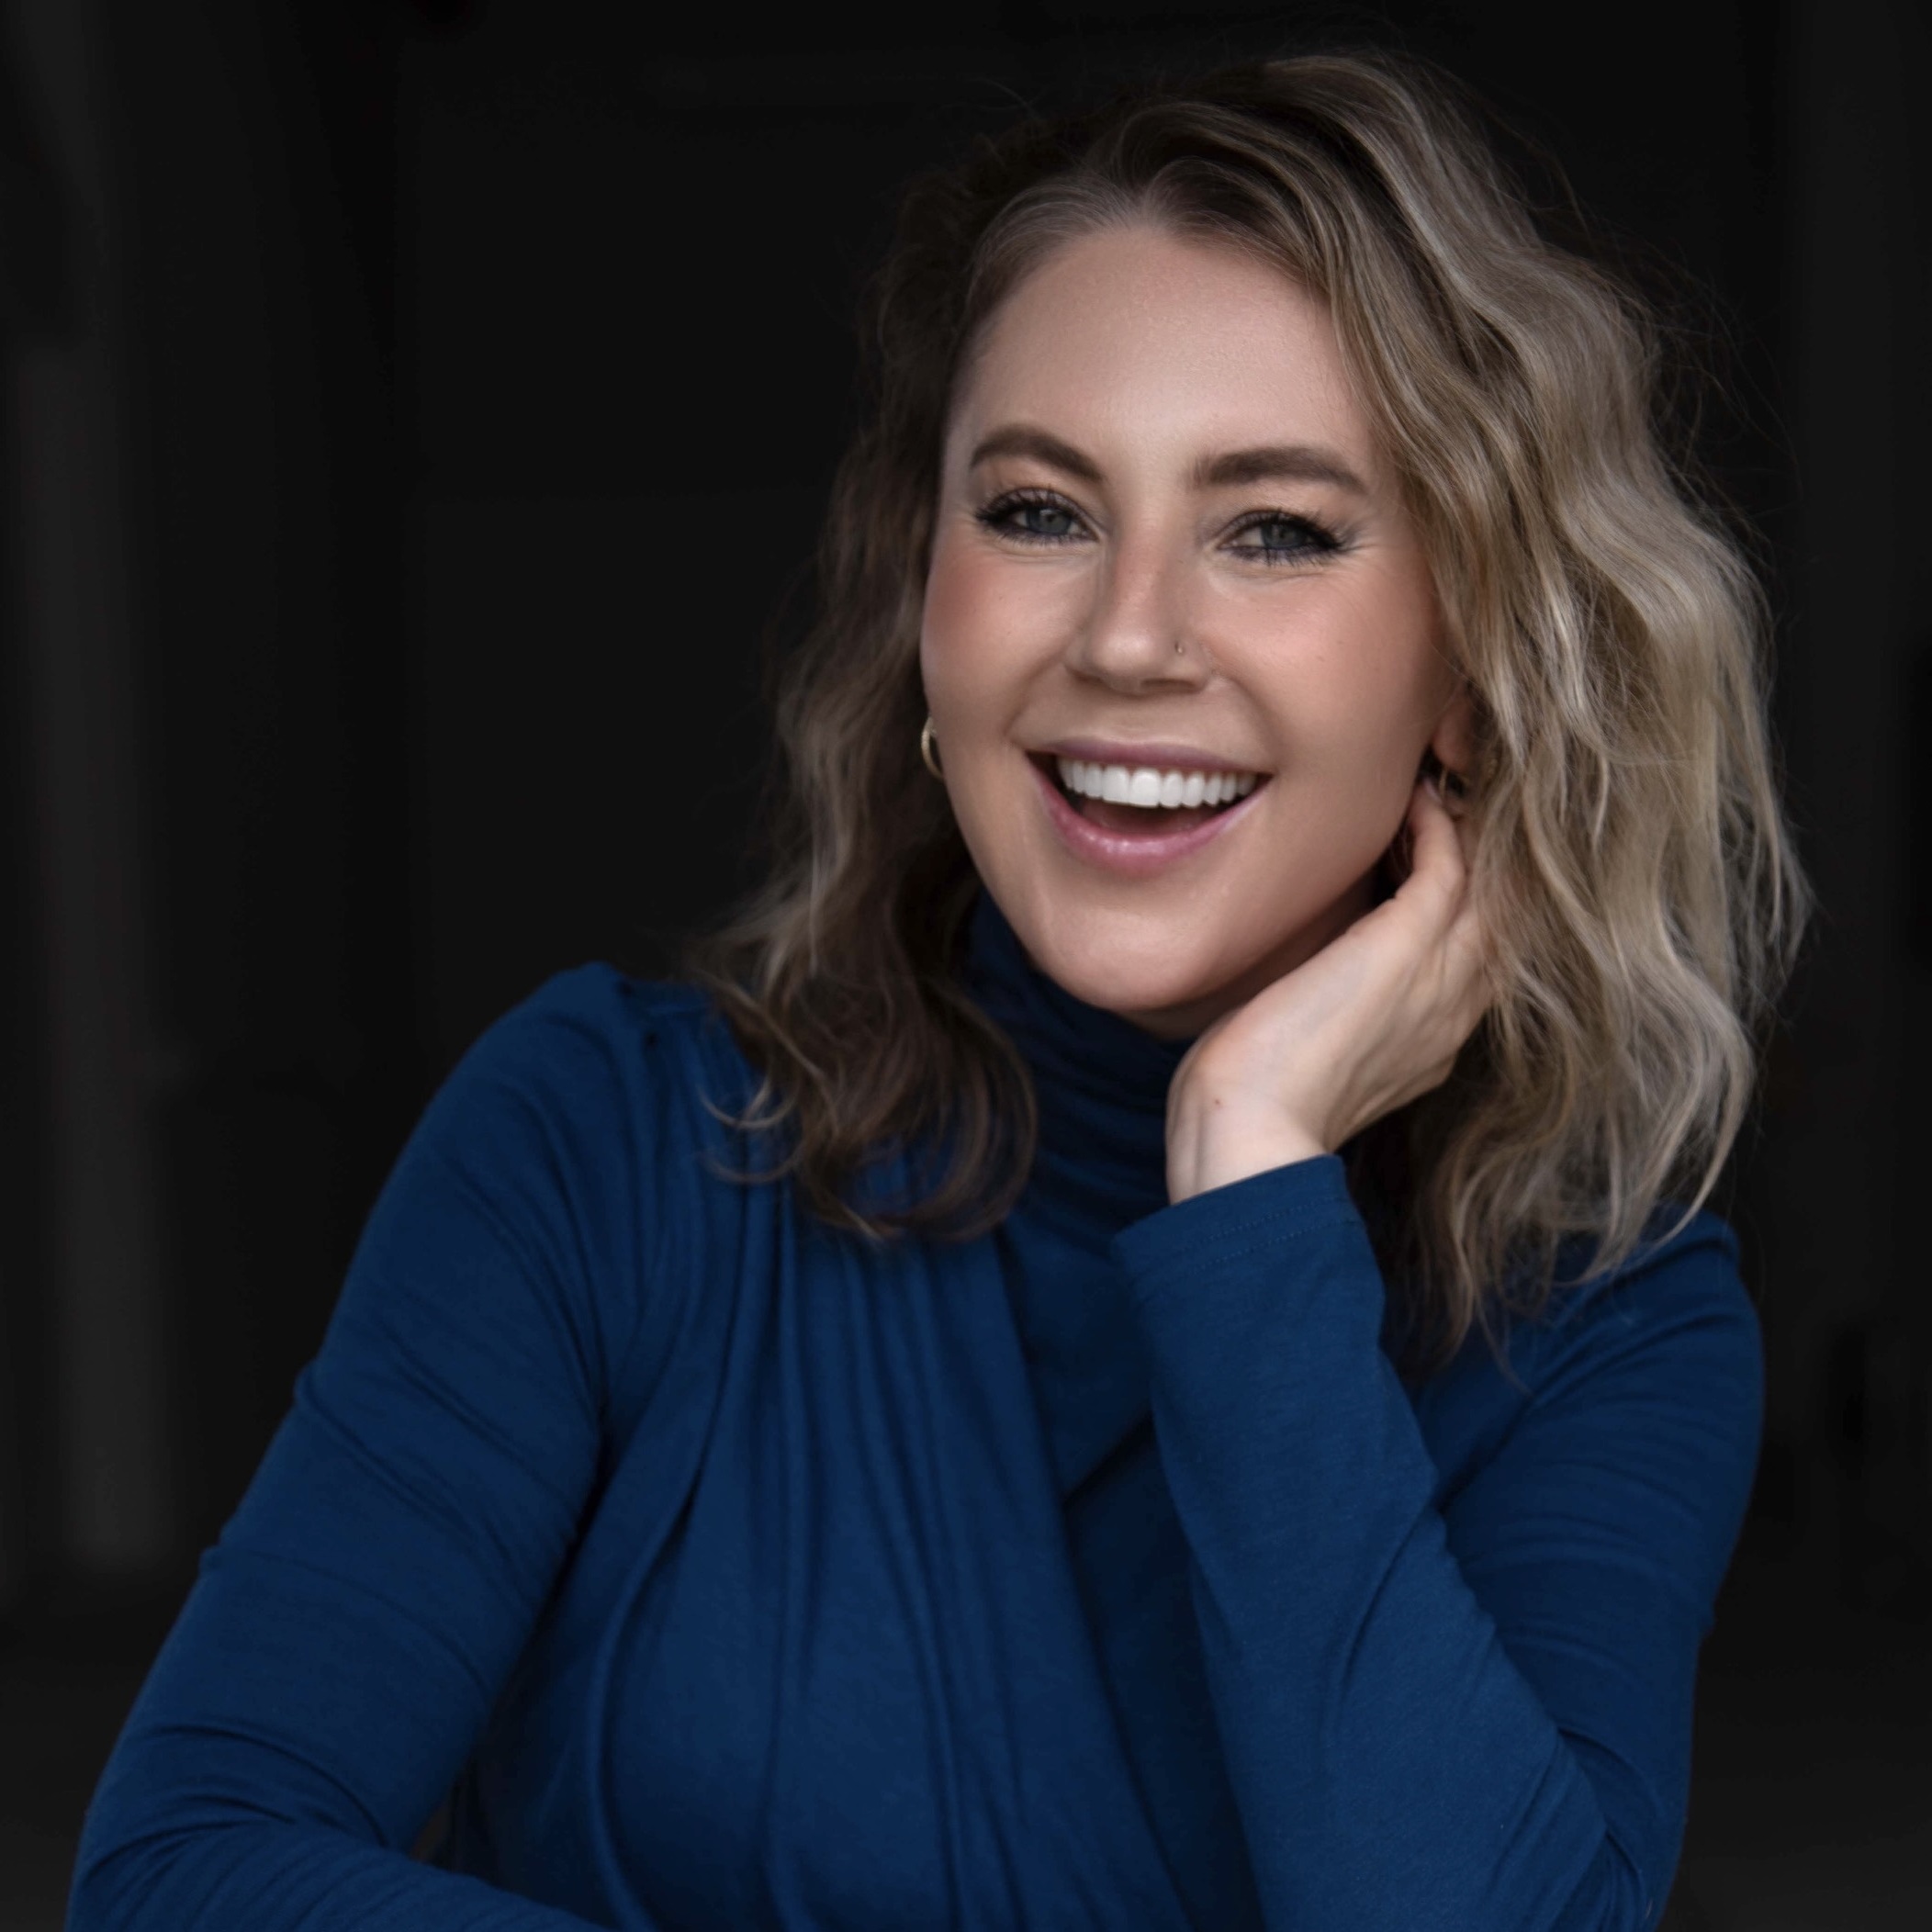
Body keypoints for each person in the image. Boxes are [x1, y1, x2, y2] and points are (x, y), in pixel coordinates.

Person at [67, 48, 1808, 1932]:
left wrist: (1246, 1180)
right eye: (1039, 510)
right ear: (924, 593)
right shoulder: (598, 1149)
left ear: (1471, 668)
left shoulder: (1604, 1324)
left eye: (1275, 530)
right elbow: (188, 1867)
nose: (1126, 637)